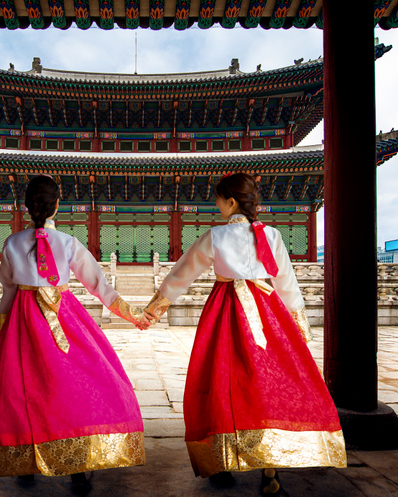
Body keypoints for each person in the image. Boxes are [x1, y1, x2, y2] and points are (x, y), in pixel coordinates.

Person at [143, 172, 346, 493]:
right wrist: (299, 327)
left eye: (219, 199)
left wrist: (155, 308)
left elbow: (182, 273)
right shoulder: (273, 237)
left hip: (225, 315)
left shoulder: (216, 237)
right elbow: (287, 285)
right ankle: (270, 467)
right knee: (269, 386)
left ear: (231, 202)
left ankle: (222, 461)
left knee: (222, 384)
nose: (216, 204)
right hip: (269, 316)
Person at [0, 175, 150, 494]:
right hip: (64, 317)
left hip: (24, 321)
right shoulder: (69, 243)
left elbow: (7, 290)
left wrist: (5, 329)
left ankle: (24, 462)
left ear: (27, 206)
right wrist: (133, 315)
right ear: (58, 205)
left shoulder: (12, 243)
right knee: (75, 385)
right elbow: (99, 285)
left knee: (23, 389)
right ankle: (78, 466)